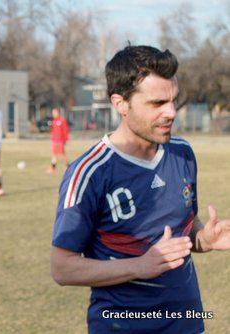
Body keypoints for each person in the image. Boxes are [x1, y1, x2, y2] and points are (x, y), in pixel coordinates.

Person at [51, 45, 230, 333]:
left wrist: (205, 239)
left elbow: (185, 230)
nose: (171, 112)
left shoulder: (182, 153)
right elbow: (62, 268)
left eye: (174, 100)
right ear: (120, 103)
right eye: (157, 103)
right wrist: (140, 266)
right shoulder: (89, 173)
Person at [47, 107, 70, 173]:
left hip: (60, 141)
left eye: (54, 112)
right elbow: (53, 131)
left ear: (58, 112)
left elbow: (65, 130)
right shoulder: (53, 121)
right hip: (54, 140)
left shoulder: (62, 120)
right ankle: (53, 168)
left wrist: (65, 139)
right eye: (53, 112)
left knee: (62, 154)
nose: (53, 114)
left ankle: (68, 166)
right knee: (54, 154)